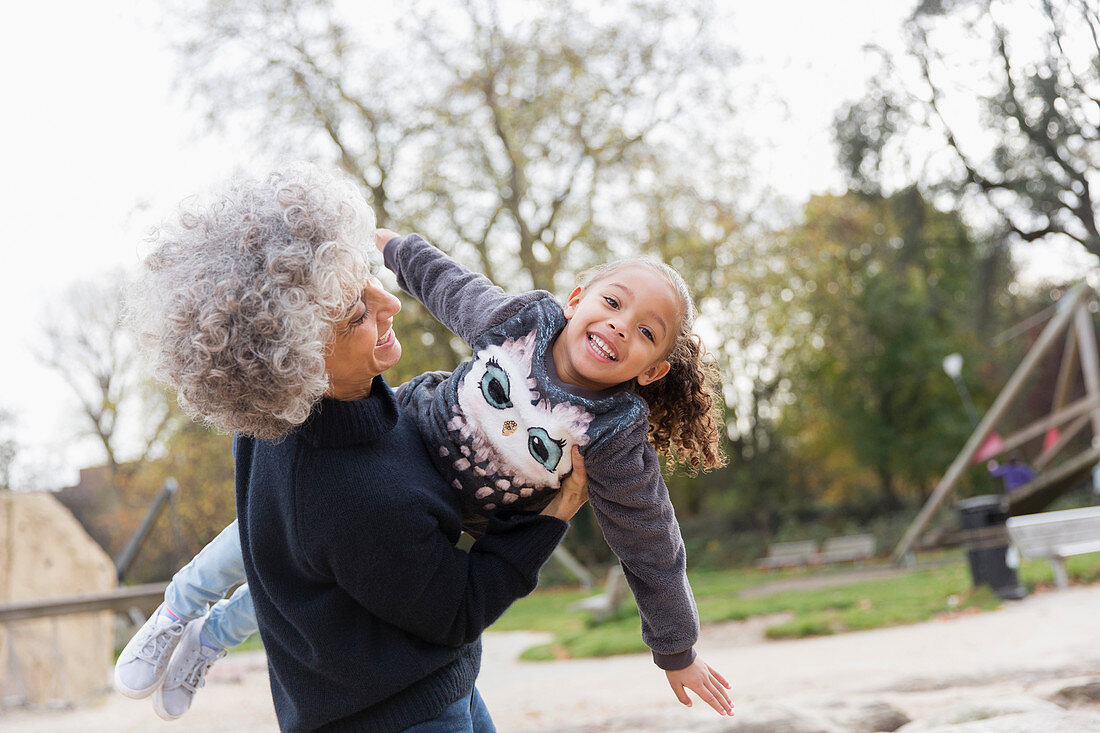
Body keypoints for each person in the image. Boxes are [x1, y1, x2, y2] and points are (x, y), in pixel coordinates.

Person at [119, 173, 736, 719]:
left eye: (646, 332)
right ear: (576, 300)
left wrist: (674, 649)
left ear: (652, 370)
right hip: (406, 430)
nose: (621, 325)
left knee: (297, 582)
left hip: (446, 506)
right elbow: (453, 288)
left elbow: (651, 540)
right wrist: (394, 248)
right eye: (612, 301)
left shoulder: (613, 436)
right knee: (261, 538)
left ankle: (211, 636)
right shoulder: (523, 325)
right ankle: (178, 608)